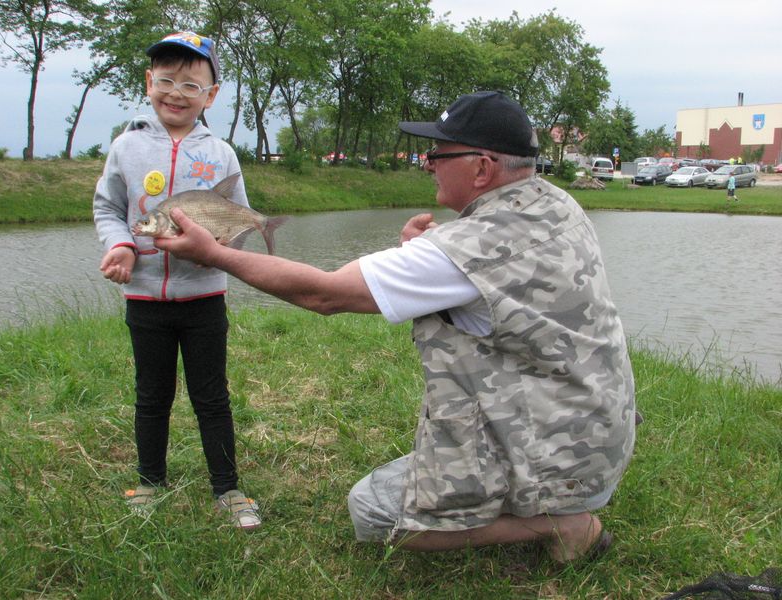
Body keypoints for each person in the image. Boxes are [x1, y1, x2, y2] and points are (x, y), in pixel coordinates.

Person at [154, 90, 636, 561]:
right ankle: (559, 498)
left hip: (562, 454)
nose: (427, 162)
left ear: (482, 167)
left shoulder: (464, 250)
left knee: (375, 511)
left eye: (438, 153)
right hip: (595, 433)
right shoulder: (553, 204)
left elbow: (324, 293)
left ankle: (566, 523)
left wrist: (215, 254)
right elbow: (485, 265)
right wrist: (423, 254)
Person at [93, 31, 261, 530]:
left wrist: (221, 251)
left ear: (210, 95)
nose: (176, 93)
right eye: (165, 80)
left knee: (212, 396)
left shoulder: (223, 153)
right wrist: (120, 245)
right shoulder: (126, 146)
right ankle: (149, 481)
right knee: (152, 394)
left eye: (191, 85)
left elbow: (237, 220)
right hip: (144, 298)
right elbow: (107, 208)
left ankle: (227, 488)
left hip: (204, 297)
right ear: (149, 83)